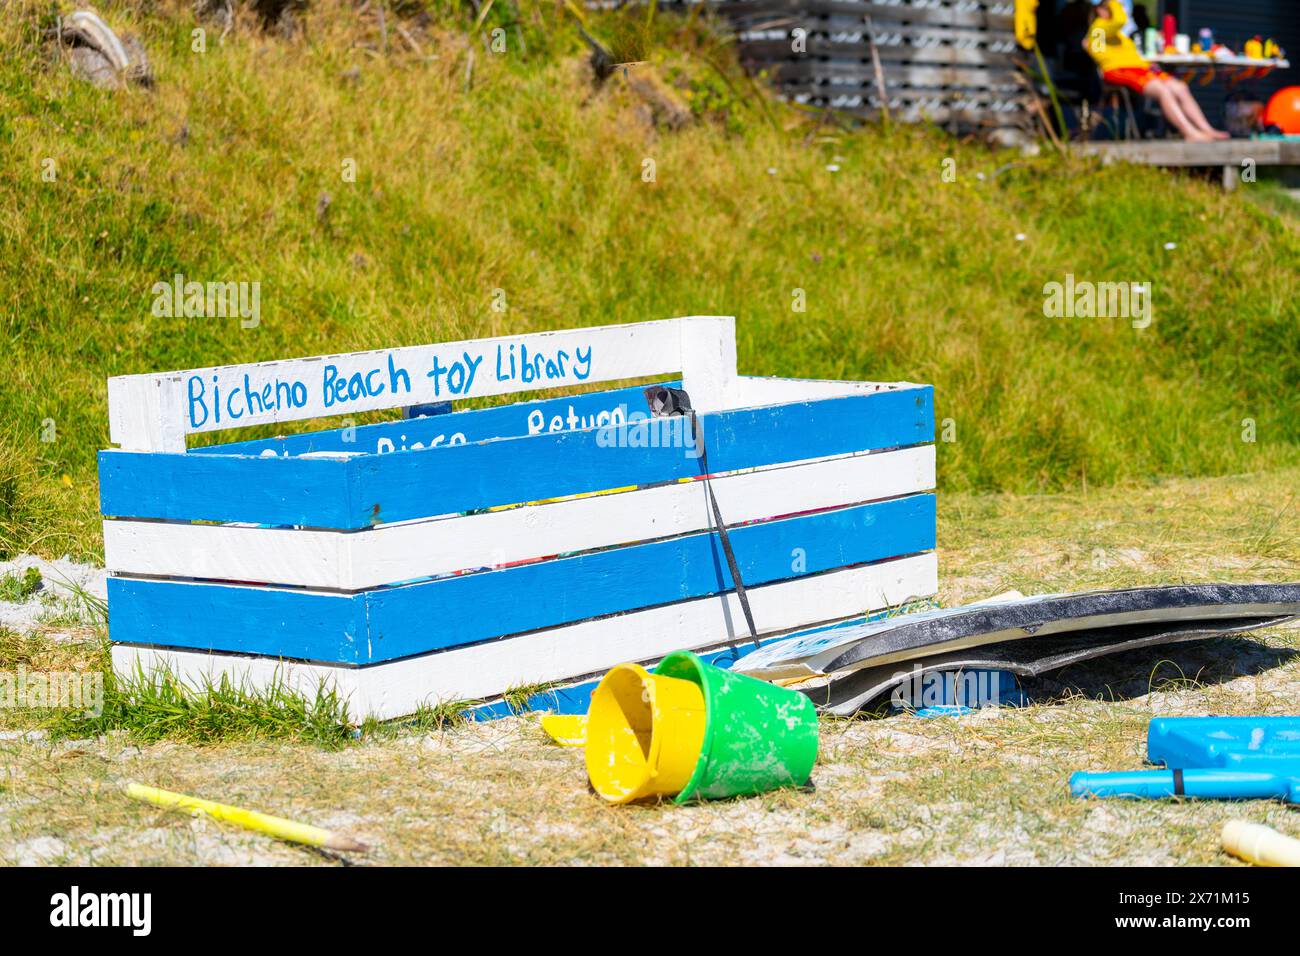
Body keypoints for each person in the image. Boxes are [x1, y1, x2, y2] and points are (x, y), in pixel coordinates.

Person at [1086, 0, 1228, 141]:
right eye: (1107, 7)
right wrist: (1114, 3)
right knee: (1162, 90)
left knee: (1180, 87)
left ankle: (1206, 129)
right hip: (1117, 70)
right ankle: (1189, 132)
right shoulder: (1098, 29)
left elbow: (1125, 43)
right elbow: (1119, 21)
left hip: (1140, 68)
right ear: (1098, 10)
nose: (1111, 10)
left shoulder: (1116, 35)